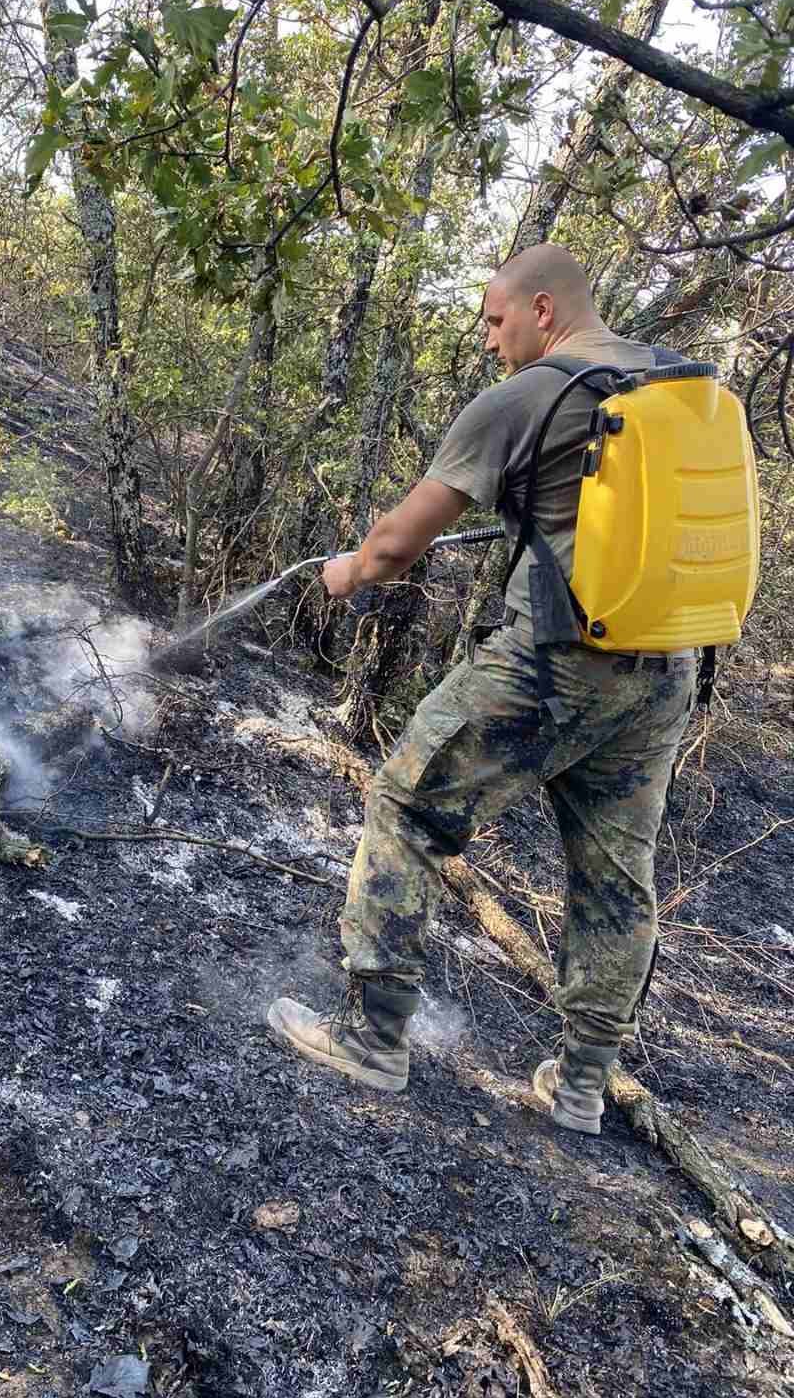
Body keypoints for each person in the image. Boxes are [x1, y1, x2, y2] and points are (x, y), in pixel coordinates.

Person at [267, 244, 695, 1136]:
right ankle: (581, 1087)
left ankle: (372, 1040)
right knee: (617, 879)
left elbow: (395, 547)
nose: (491, 341)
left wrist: (350, 572)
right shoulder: (670, 384)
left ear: (543, 310)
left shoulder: (524, 396)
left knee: (403, 806)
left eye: (497, 320)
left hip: (553, 663)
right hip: (665, 671)